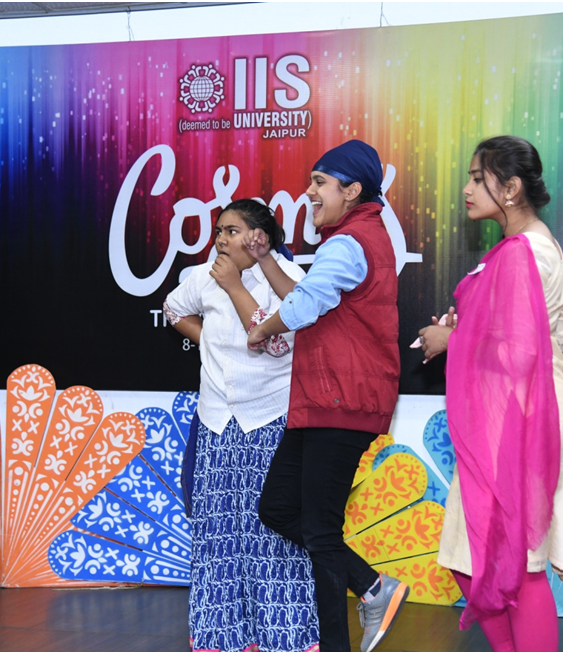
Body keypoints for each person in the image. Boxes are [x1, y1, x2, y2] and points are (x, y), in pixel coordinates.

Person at [418, 135, 563, 652]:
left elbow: (520, 351)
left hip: (518, 421)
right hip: (513, 416)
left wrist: (451, 340)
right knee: (471, 559)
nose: (466, 189)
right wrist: (470, 327)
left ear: (510, 188)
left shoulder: (524, 251)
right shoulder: (529, 245)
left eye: (477, 178)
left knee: (517, 564)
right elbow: (558, 337)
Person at [247, 140, 409, 653]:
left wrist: (261, 330)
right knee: (277, 508)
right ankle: (374, 586)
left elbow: (303, 305)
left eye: (320, 182)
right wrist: (265, 259)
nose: (309, 192)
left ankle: (342, 635)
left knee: (319, 531)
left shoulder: (350, 242)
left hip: (340, 401)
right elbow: (306, 296)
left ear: (352, 189)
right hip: (324, 402)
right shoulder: (354, 238)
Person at [163, 199, 319, 652]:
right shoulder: (203, 276)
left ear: (260, 237)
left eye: (233, 231)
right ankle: (224, 637)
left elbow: (275, 345)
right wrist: (206, 340)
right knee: (218, 536)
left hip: (269, 420)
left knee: (269, 535)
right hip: (216, 422)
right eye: (219, 231)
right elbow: (173, 308)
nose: (222, 240)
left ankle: (284, 637)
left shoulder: (287, 279)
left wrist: (233, 286)